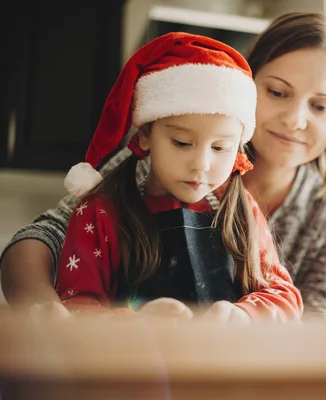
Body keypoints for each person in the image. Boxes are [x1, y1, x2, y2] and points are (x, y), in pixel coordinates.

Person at [0, 12, 326, 323]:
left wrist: (240, 322)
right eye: (278, 92)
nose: (294, 119)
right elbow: (47, 237)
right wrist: (51, 313)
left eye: (320, 106)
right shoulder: (143, 169)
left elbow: (320, 330)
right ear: (243, 88)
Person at [48, 32, 302, 322]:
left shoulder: (242, 212)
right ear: (144, 135)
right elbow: (76, 305)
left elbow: (284, 296)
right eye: (182, 143)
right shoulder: (100, 214)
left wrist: (242, 317)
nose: (201, 164)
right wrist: (129, 323)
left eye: (221, 148)